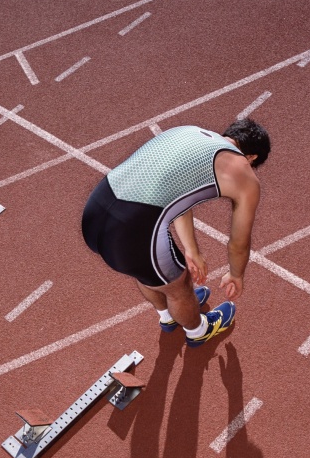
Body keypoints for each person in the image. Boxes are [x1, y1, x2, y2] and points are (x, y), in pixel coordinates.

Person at [82, 119, 270, 347]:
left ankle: (168, 315)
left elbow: (176, 190)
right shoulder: (242, 171)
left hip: (95, 210)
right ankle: (198, 329)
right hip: (130, 232)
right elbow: (239, 242)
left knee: (147, 271)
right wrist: (236, 274)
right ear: (252, 158)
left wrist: (191, 249)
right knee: (178, 284)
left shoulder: (189, 131)